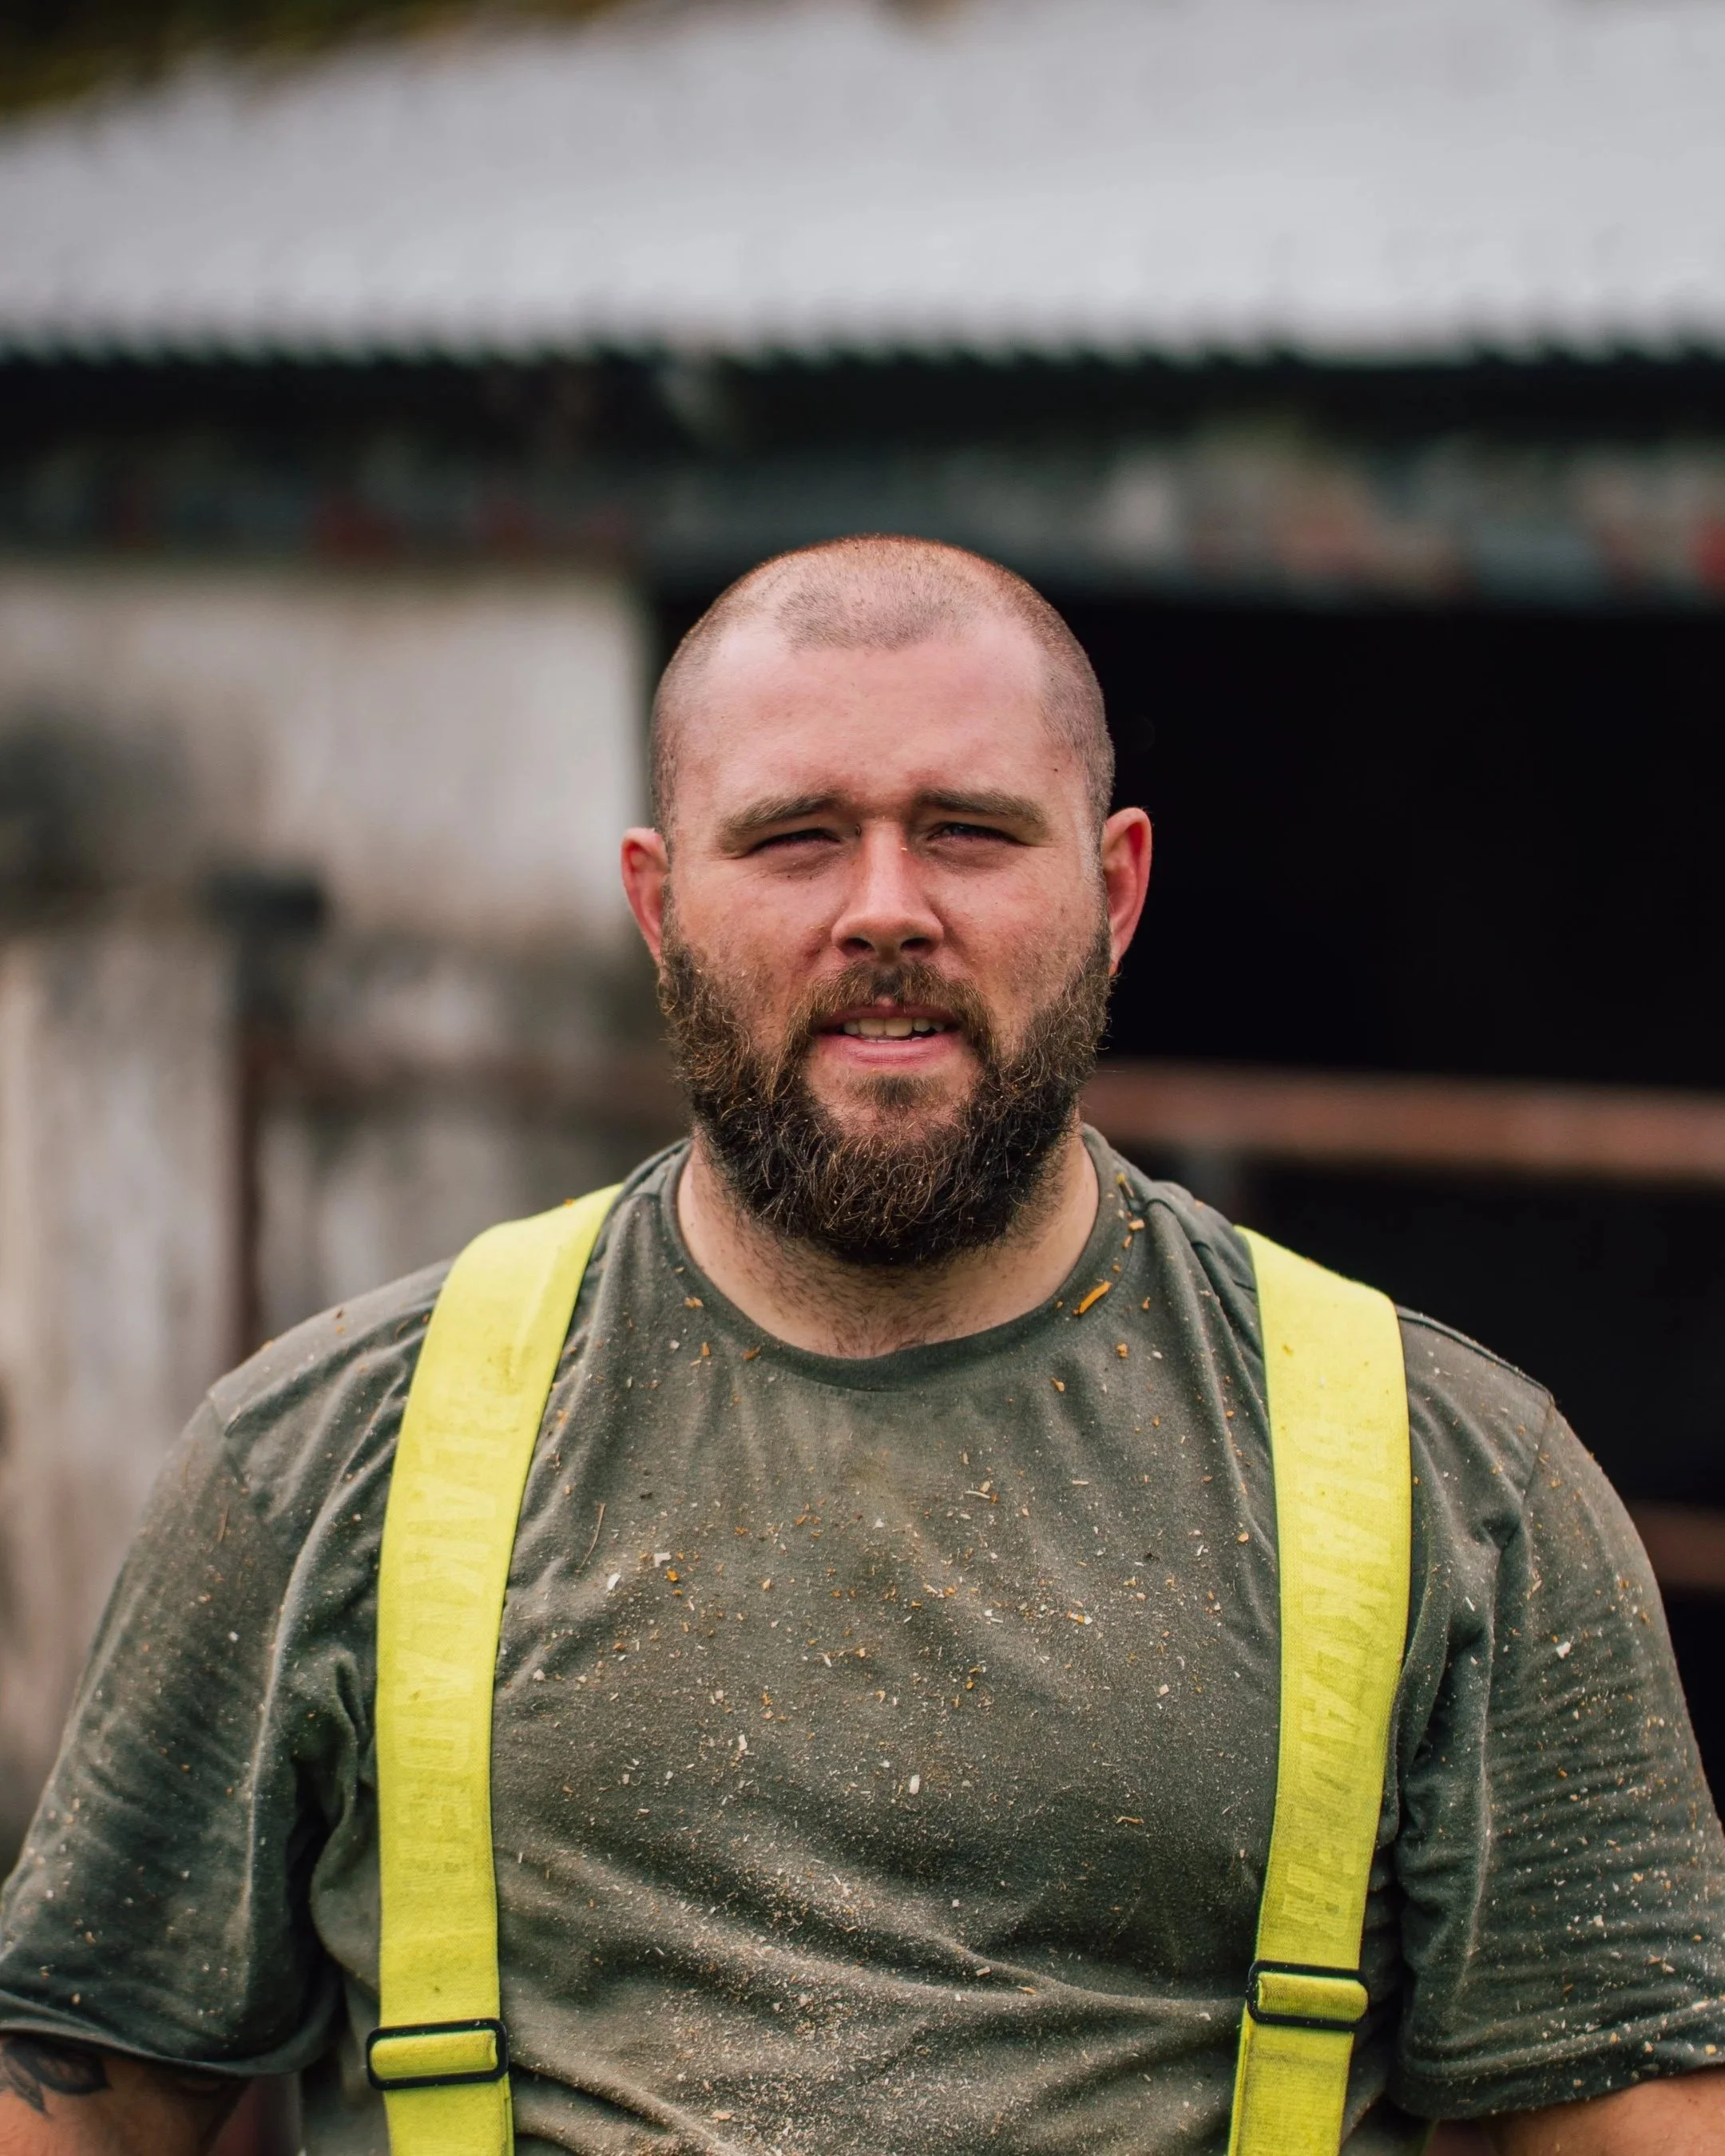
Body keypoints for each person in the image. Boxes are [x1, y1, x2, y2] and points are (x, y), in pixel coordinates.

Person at [1, 536, 1723, 2156]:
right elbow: (70, 2094)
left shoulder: (1455, 1481)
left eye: (969, 831)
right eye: (798, 837)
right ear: (659, 904)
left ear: (1115, 890)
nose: (886, 907)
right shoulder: (323, 1462)